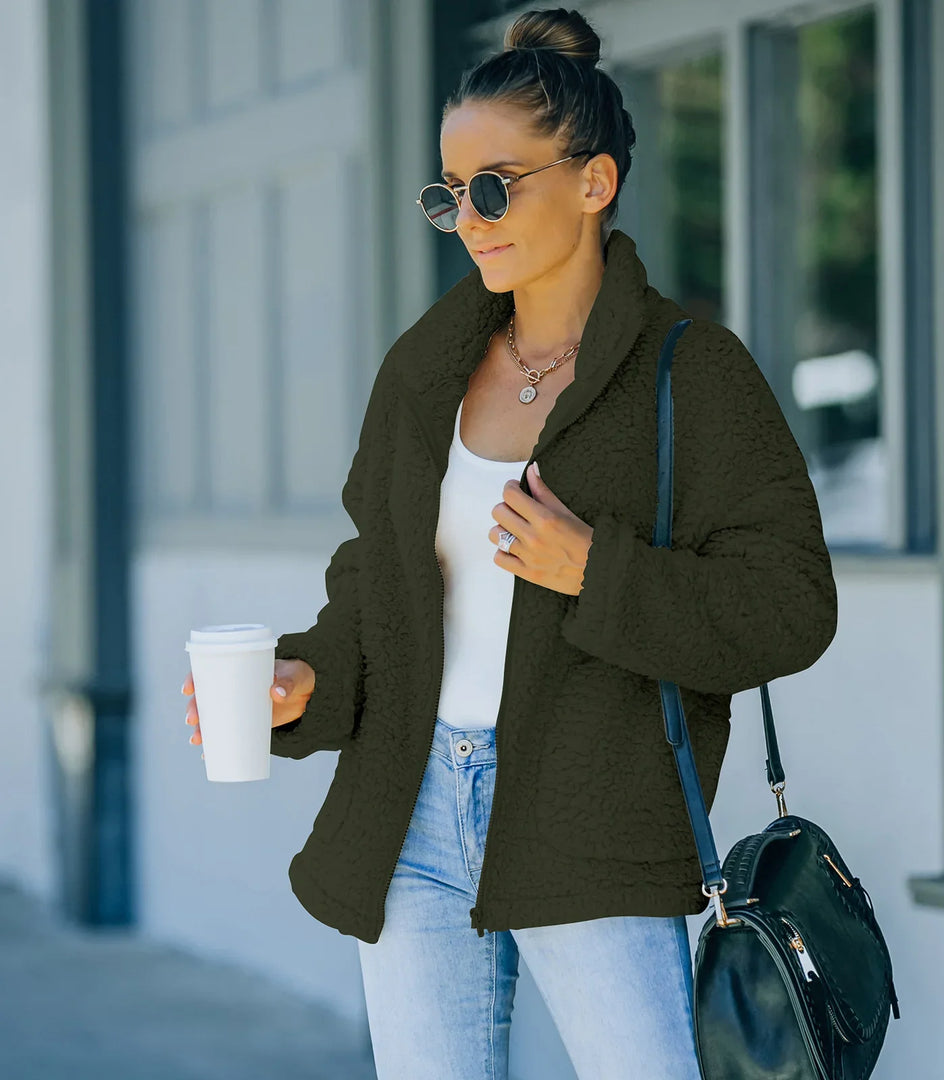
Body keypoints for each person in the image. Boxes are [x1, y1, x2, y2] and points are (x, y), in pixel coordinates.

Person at [182, 7, 838, 1078]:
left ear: (594, 181)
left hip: (591, 818)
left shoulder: (694, 373)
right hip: (413, 813)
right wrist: (306, 679)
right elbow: (375, 585)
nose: (469, 219)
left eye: (495, 187)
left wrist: (596, 571)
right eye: (451, 194)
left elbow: (792, 604)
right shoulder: (426, 370)